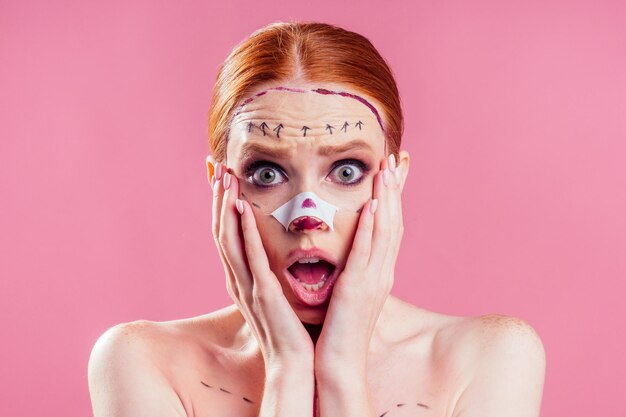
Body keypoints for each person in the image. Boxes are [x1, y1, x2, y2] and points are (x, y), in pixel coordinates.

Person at [88, 21, 546, 417]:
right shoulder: (140, 362)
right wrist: (287, 367)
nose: (306, 216)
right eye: (266, 173)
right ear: (221, 185)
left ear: (394, 180)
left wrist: (341, 369)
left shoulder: (491, 357)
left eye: (346, 171)